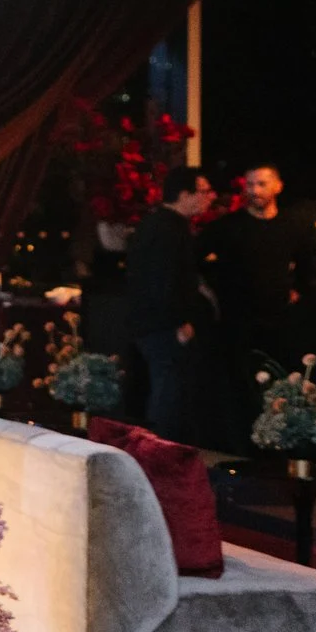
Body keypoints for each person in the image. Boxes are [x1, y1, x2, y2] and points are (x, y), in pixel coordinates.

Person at [200, 161, 316, 418]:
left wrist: (297, 289)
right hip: (237, 321)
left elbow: (308, 263)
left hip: (278, 320)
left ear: (278, 187)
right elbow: (193, 259)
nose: (254, 190)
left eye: (261, 184)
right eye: (250, 184)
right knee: (240, 386)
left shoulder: (291, 225)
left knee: (278, 383)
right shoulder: (227, 226)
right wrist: (210, 291)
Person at [124, 168, 216, 445]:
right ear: (185, 194)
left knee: (169, 391)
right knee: (169, 394)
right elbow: (163, 280)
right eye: (203, 191)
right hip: (164, 326)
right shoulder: (168, 229)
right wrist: (179, 322)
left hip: (153, 324)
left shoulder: (159, 224)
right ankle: (160, 453)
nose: (209, 198)